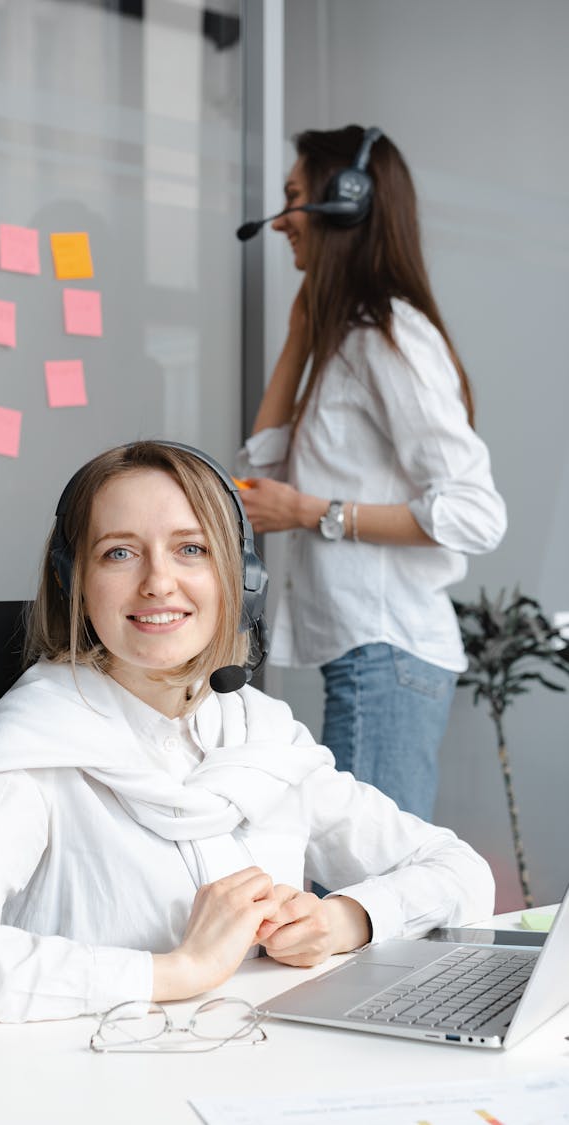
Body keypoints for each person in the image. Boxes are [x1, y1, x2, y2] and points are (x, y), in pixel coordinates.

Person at [0, 440, 494, 1027]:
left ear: (241, 578)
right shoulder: (38, 748)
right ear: (74, 581)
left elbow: (460, 872)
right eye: (119, 552)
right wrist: (176, 971)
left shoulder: (264, 736)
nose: (158, 582)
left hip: (256, 1069)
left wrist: (347, 917)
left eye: (191, 549)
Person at [236, 125, 507, 823]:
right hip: (368, 657)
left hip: (387, 655)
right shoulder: (342, 341)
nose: (280, 222)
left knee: (358, 900)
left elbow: (474, 512)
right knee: (349, 890)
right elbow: (257, 478)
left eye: (294, 198)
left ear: (345, 203)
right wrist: (298, 339)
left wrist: (312, 512)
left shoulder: (387, 338)